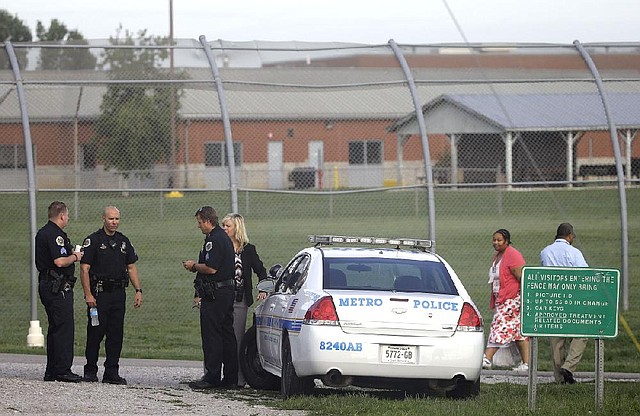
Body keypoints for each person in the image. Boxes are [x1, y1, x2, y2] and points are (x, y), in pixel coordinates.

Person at [79, 206, 143, 385]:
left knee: (115, 334)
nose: (114, 222)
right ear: (103, 219)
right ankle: (90, 370)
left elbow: (131, 266)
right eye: (111, 219)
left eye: (117, 219)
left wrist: (138, 290)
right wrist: (88, 295)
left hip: (118, 294)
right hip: (99, 295)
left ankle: (111, 372)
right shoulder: (93, 240)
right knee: (95, 332)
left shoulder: (124, 242)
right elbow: (84, 269)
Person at [182, 206, 238, 389]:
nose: (198, 226)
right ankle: (230, 377)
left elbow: (211, 268)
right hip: (227, 291)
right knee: (227, 334)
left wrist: (193, 266)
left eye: (199, 222)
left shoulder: (214, 240)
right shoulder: (223, 238)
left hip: (216, 294)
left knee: (212, 335)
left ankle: (212, 377)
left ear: (207, 221)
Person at [35, 201, 84, 382]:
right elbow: (59, 261)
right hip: (57, 287)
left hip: (47, 285)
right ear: (62, 215)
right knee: (64, 328)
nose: (68, 219)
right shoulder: (56, 235)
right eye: (67, 216)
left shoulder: (42, 232)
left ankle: (52, 370)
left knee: (55, 328)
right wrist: (75, 256)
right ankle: (63, 370)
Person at [221, 213, 268, 387]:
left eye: (228, 226)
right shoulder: (220, 246)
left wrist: (263, 289)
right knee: (217, 337)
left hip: (239, 299)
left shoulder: (248, 249)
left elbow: (261, 271)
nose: (224, 229)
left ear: (237, 229)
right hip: (220, 299)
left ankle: (239, 379)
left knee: (237, 339)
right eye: (223, 226)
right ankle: (213, 376)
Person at [540, 222, 589, 384]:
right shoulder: (574, 252)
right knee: (581, 334)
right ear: (569, 235)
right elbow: (584, 275)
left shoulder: (545, 252)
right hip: (573, 299)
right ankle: (568, 367)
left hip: (552, 300)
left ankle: (560, 378)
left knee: (556, 340)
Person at [482, 229, 530, 372]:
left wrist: (522, 298)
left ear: (507, 241)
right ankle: (526, 364)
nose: (495, 242)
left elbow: (521, 277)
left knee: (499, 326)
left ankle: (487, 358)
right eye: (494, 240)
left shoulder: (513, 255)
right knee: (518, 333)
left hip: (512, 300)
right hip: (502, 299)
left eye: (499, 240)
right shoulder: (498, 256)